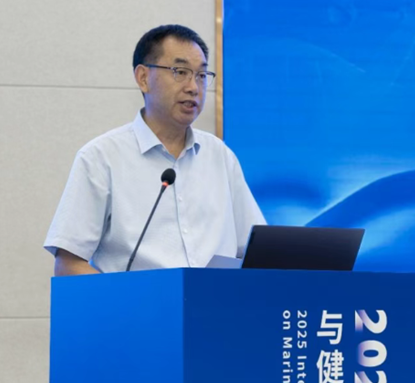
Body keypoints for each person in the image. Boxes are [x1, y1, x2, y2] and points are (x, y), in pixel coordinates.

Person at [44, 24, 265, 275]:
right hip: (139, 300)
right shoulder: (101, 157)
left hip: (215, 300)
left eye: (202, 75)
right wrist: (129, 298)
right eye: (180, 72)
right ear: (143, 78)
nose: (193, 87)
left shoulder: (220, 156)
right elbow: (69, 264)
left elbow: (257, 252)